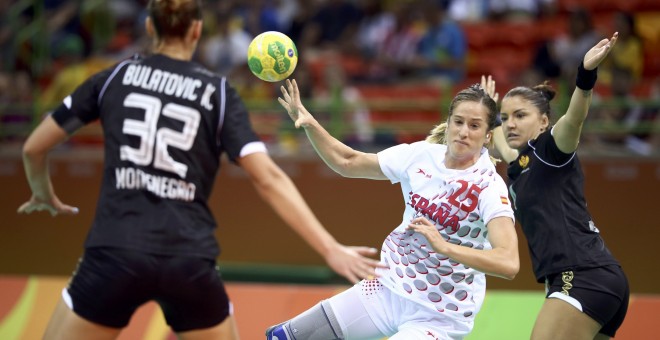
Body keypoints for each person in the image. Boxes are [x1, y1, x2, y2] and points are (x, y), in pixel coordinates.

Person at [17, 1, 382, 339]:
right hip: (186, 256)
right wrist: (328, 247)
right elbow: (268, 178)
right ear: (196, 31)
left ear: (149, 26)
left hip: (115, 249)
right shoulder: (217, 93)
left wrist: (42, 191)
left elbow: (34, 147)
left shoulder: (113, 78)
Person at [266, 79, 520, 339]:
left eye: (475, 125)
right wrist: (310, 124)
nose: (464, 131)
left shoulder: (488, 186)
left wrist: (445, 248)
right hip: (386, 289)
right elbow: (347, 161)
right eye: (458, 122)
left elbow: (509, 262)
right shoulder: (421, 155)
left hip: (439, 315)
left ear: (489, 135)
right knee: (285, 337)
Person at [485, 32, 630, 339]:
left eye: (520, 116)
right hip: (590, 280)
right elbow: (502, 144)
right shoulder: (519, 164)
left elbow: (575, 119)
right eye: (506, 117)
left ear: (543, 123)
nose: (510, 123)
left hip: (582, 275)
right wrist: (487, 110)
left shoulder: (552, 150)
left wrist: (585, 75)